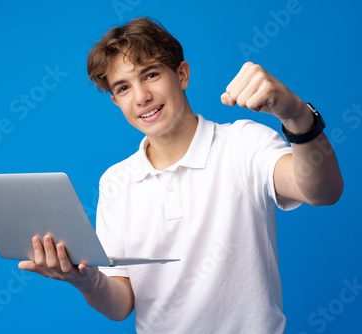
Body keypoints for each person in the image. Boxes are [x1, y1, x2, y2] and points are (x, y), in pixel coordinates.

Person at [18, 17, 343, 333]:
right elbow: (120, 305)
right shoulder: (116, 181)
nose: (141, 96)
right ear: (116, 101)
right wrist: (87, 281)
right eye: (123, 87)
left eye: (151, 75)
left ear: (182, 74)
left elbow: (322, 191)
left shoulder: (242, 143)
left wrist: (297, 115)